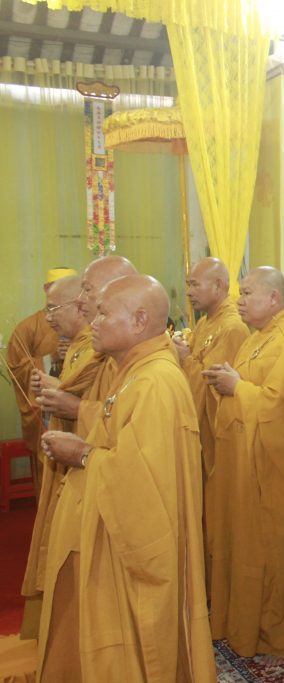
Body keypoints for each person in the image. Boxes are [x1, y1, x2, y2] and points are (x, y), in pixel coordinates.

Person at [37, 274, 215, 681]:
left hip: (132, 543)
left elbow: (145, 482)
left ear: (139, 321)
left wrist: (82, 454)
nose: (94, 321)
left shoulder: (155, 381)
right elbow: (118, 432)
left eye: (103, 313)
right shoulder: (133, 369)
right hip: (109, 525)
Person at [34, 255, 138, 682]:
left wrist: (80, 439)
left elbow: (139, 459)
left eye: (90, 295)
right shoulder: (113, 358)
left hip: (112, 499)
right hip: (90, 483)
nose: (82, 304)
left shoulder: (152, 375)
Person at [205, 266, 284, 662]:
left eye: (248, 292)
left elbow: (282, 411)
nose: (240, 300)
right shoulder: (257, 339)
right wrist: (227, 382)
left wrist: (237, 387)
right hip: (243, 466)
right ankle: (241, 625)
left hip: (270, 472)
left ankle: (275, 636)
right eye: (240, 292)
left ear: (274, 298)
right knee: (241, 548)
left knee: (270, 554)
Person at [20, 275, 97, 639]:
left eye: (53, 309)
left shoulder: (100, 350)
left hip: (87, 467)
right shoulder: (79, 347)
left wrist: (71, 403)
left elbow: (116, 417)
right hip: (69, 461)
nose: (47, 318)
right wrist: (56, 390)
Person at [172, 257, 250, 482]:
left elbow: (213, 384)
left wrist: (185, 359)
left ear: (218, 285)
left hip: (217, 433)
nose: (189, 292)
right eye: (188, 285)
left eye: (195, 285)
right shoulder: (205, 322)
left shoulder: (232, 327)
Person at [5, 268, 70, 483]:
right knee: (48, 476)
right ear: (46, 289)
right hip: (46, 412)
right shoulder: (28, 327)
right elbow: (16, 368)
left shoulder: (88, 326)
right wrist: (51, 358)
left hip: (76, 412)